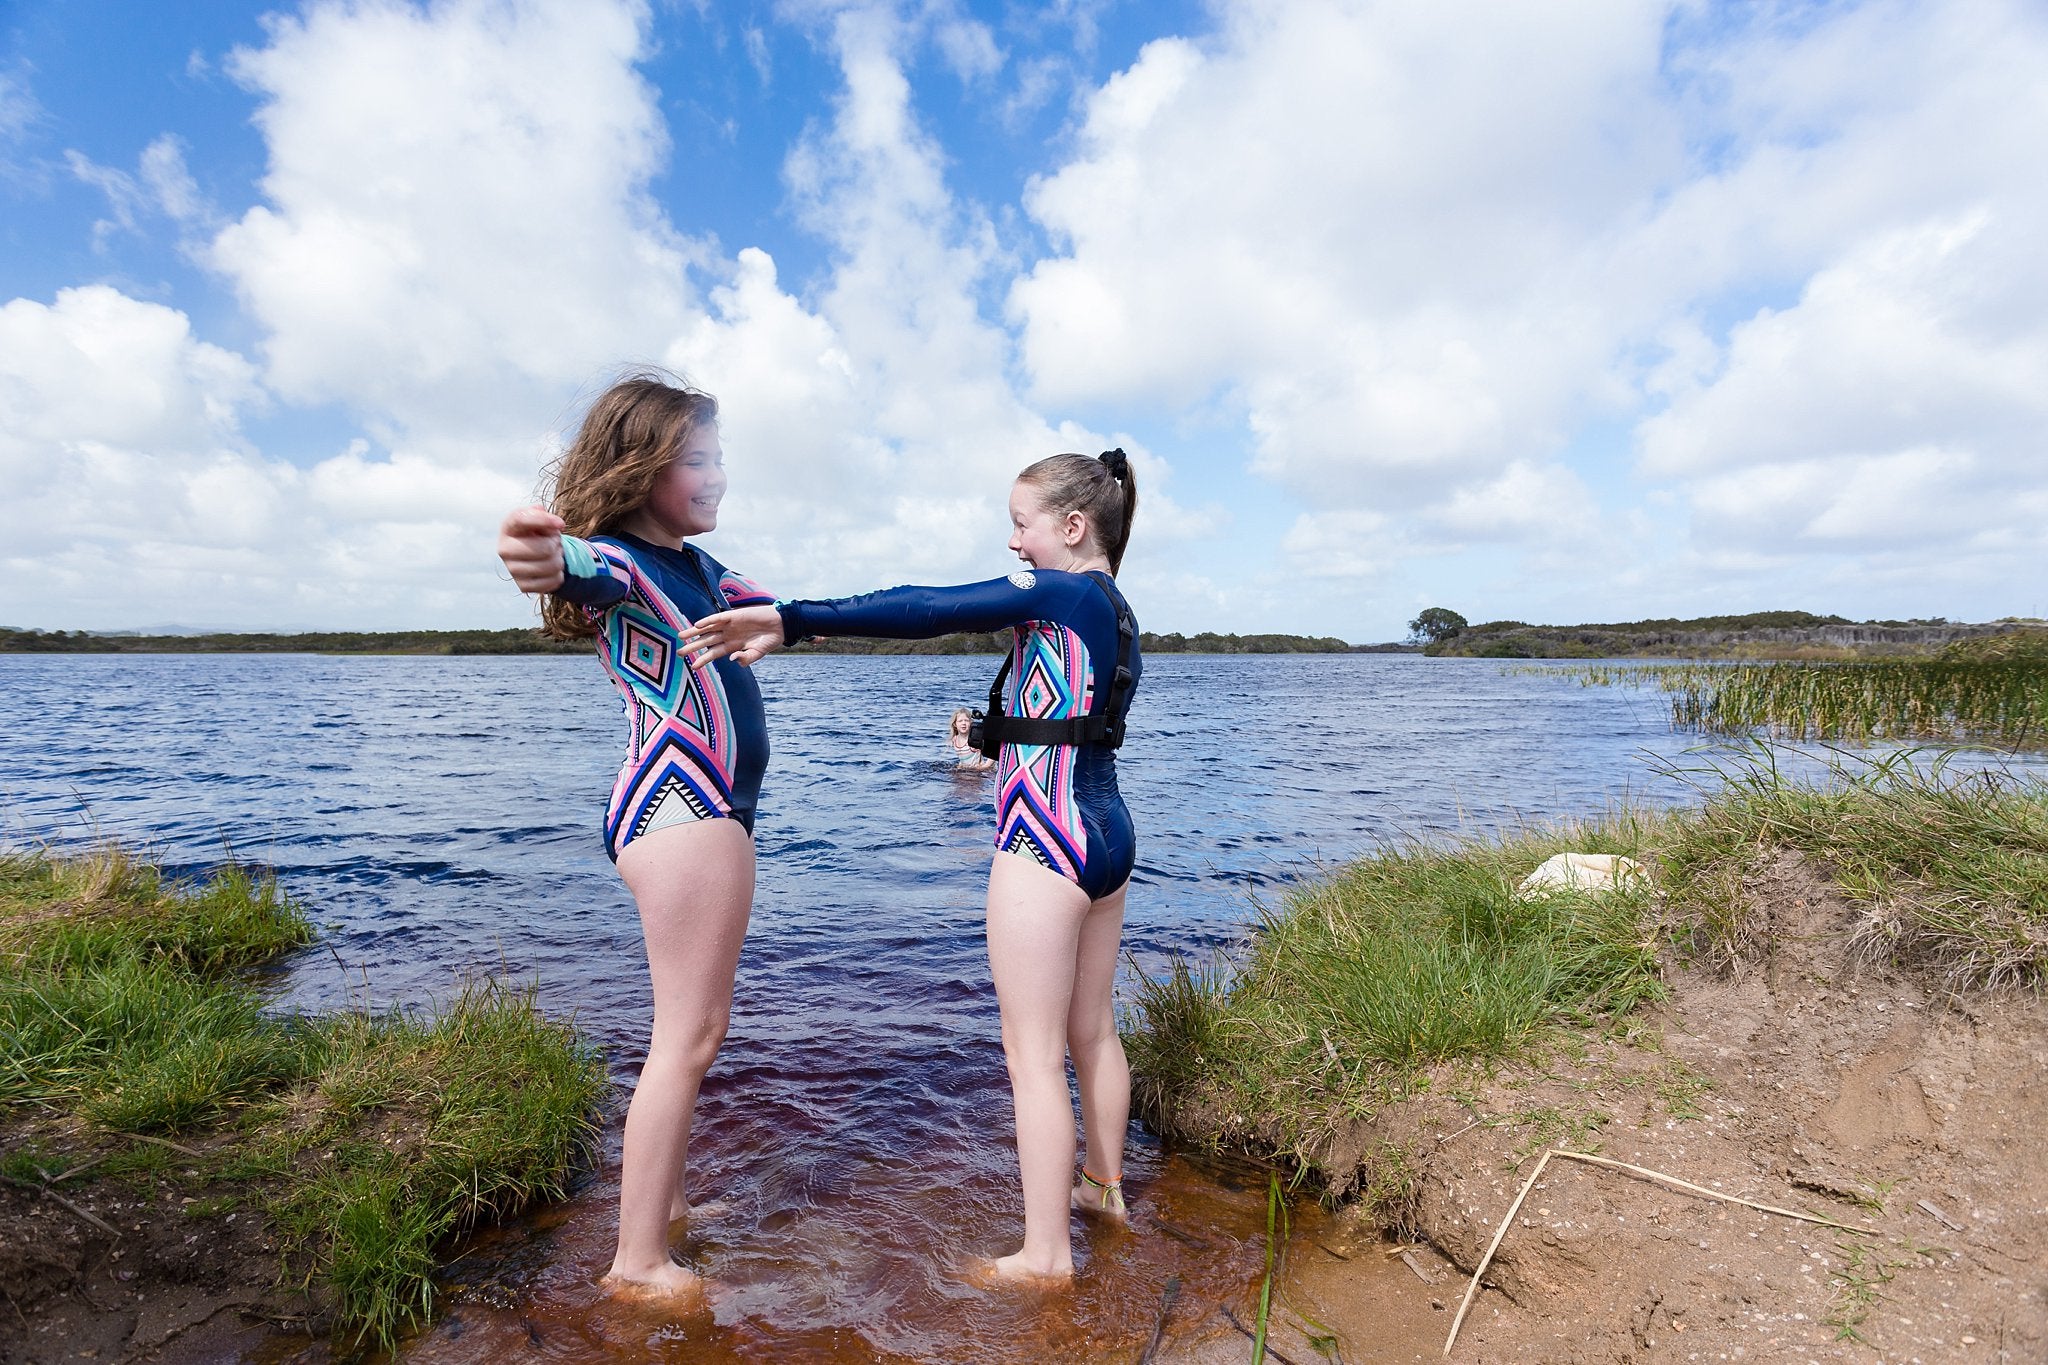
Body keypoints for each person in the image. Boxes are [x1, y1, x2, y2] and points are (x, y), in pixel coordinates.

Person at [684, 449, 1141, 1281]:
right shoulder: (1115, 609)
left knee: (1032, 1055)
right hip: (1109, 833)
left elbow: (928, 607)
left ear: (1073, 528)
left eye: (1021, 522)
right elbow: (1061, 714)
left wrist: (791, 618)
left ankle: (1045, 1256)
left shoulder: (1063, 590)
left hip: (1048, 838)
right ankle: (1103, 1188)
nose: (1012, 543)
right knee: (1094, 1029)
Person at [495, 373, 776, 1304]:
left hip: (697, 811)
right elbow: (569, 565)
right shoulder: (619, 561)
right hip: (682, 806)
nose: (716, 475)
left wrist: (787, 624)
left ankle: (668, 1213)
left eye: (717, 456)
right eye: (696, 459)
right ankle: (637, 1264)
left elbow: (777, 607)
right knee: (687, 1035)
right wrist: (538, 552)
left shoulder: (701, 569)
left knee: (693, 1034)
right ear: (642, 467)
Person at [948, 706, 996, 772]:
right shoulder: (955, 739)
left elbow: (994, 750)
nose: (963, 723)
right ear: (955, 724)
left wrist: (986, 766)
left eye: (966, 720)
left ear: (971, 723)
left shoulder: (975, 738)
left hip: (978, 772)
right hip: (966, 770)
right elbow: (963, 758)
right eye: (960, 721)